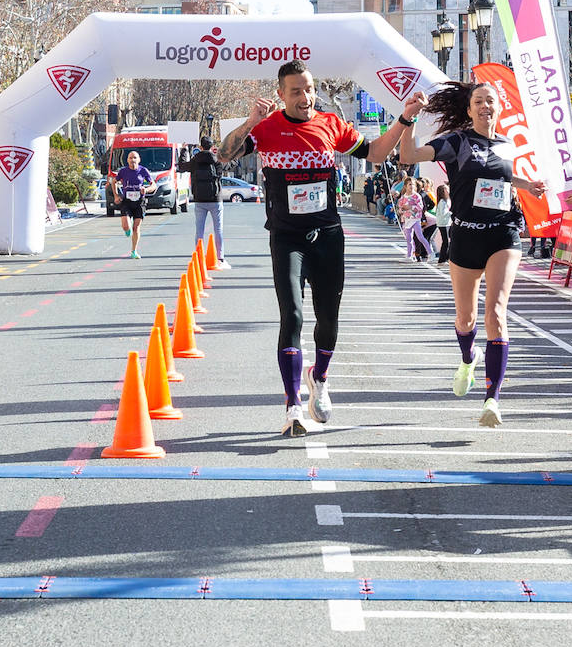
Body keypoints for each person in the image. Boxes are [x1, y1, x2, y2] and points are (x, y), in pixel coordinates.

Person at [217, 58, 409, 436]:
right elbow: (225, 154)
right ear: (281, 95)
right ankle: (292, 405)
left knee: (328, 321)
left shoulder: (331, 124)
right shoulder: (268, 128)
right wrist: (250, 121)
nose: (305, 97)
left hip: (328, 236)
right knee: (293, 316)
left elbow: (374, 154)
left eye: (309, 88)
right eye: (296, 91)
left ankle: (318, 379)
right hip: (287, 237)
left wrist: (403, 121)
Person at [399, 80, 547, 427]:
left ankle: (492, 399)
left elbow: (504, 179)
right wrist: (410, 121)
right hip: (465, 238)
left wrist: (530, 186)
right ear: (469, 109)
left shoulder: (508, 144)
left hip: (503, 234)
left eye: (490, 101)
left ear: (499, 107)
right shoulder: (457, 142)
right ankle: (468, 358)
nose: (485, 106)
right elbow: (408, 157)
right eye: (478, 101)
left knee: (495, 312)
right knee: (466, 319)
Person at [179, 135, 230, 268]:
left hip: (199, 200)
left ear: (200, 147)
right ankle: (220, 258)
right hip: (215, 199)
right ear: (212, 147)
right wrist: (230, 151)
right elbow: (230, 165)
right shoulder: (217, 160)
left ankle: (199, 257)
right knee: (218, 229)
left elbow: (182, 166)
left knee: (199, 230)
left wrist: (184, 150)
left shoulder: (195, 161)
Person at [113, 150, 153, 258]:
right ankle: (127, 230)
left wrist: (147, 189)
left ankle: (134, 251)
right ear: (127, 160)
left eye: (135, 158)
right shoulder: (123, 171)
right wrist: (116, 195)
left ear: (139, 160)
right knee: (126, 226)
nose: (132, 160)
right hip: (127, 201)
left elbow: (153, 185)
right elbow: (114, 181)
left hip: (140, 202)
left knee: (136, 227)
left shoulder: (143, 171)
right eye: (130, 158)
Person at [430, 183, 452, 264]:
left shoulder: (448, 200)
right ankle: (442, 260)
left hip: (447, 222)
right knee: (445, 241)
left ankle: (447, 258)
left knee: (449, 241)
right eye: (446, 189)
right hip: (443, 223)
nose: (448, 190)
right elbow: (443, 213)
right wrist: (451, 213)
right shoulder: (442, 202)